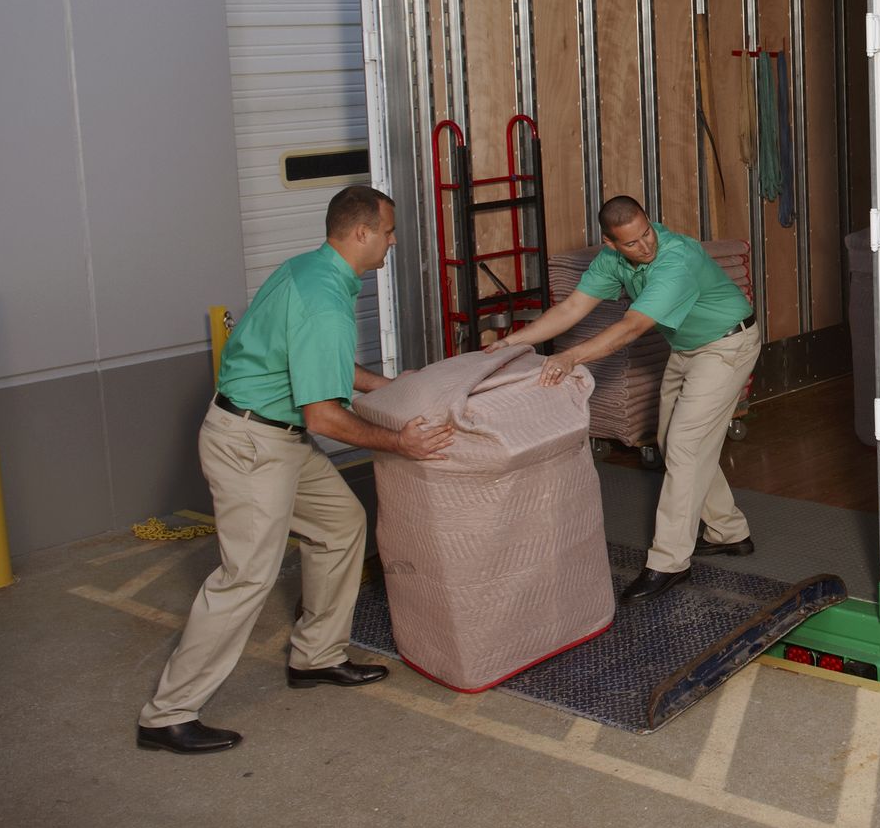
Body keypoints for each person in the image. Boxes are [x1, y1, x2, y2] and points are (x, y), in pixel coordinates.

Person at [137, 185, 454, 755]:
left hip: (277, 435)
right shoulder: (325, 303)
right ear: (361, 234)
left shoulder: (311, 270)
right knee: (246, 577)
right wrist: (400, 442)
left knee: (341, 525)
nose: (392, 241)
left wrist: (389, 385)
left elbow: (315, 363)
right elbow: (325, 415)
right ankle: (168, 713)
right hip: (254, 444)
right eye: (388, 232)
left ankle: (317, 656)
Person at [494, 195, 758, 603]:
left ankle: (668, 563)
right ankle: (729, 531)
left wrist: (570, 356)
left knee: (686, 447)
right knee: (674, 442)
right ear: (611, 242)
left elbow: (634, 326)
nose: (645, 246)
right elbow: (572, 308)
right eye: (632, 243)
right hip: (688, 348)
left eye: (647, 233)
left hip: (727, 345)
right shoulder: (612, 260)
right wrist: (509, 344)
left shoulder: (676, 259)